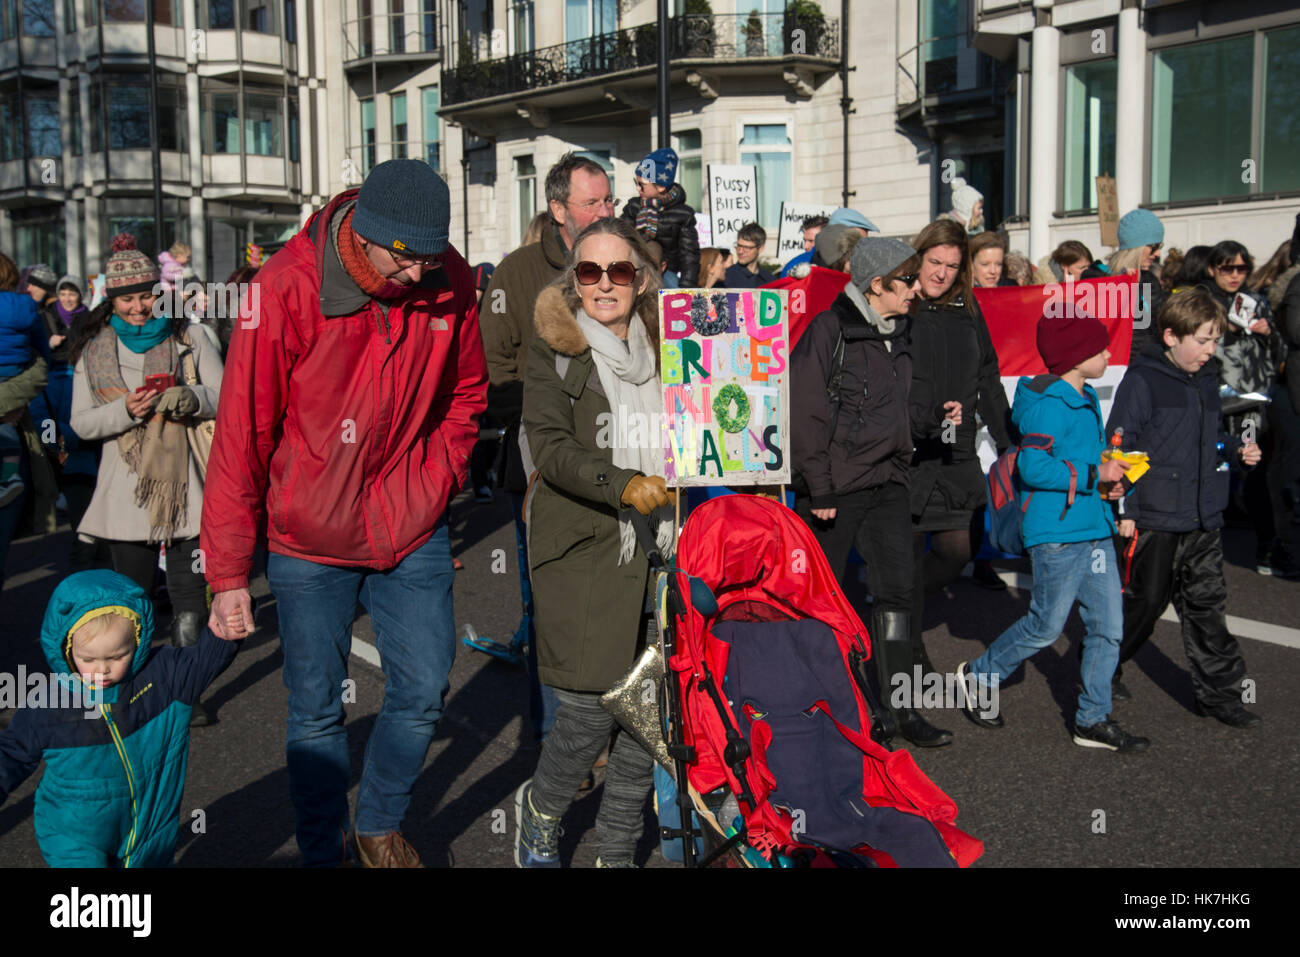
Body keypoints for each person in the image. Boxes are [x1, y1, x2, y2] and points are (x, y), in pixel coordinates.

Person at [200, 159, 487, 868]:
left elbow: (469, 393)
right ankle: (321, 849)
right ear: (365, 233)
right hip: (308, 537)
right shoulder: (283, 288)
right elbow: (242, 435)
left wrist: (438, 476)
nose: (423, 275)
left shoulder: (446, 276)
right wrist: (229, 570)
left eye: (431, 255)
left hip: (409, 521)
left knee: (423, 686)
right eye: (408, 258)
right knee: (316, 709)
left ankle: (379, 822)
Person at [513, 217, 672, 868]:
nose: (605, 284)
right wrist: (623, 482)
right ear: (573, 280)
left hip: (660, 542)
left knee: (646, 711)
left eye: (620, 271)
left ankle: (615, 849)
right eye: (590, 271)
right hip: (583, 542)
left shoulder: (671, 343)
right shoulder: (556, 346)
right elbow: (550, 448)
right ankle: (540, 816)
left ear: (641, 278)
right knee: (583, 714)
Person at [956, 311, 1148, 752]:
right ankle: (978, 675)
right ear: (1078, 358)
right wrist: (1093, 473)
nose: (1107, 354)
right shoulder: (1048, 403)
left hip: (1093, 526)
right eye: (1101, 349)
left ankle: (1092, 720)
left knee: (1107, 628)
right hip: (1057, 533)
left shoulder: (1082, 397)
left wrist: (1116, 475)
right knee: (1046, 626)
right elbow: (1032, 465)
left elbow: (1087, 458)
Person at [480, 152, 615, 743]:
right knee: (552, 605)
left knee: (615, 598)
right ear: (559, 209)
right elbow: (492, 375)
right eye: (593, 203)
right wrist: (556, 403)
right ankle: (562, 744)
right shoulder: (515, 275)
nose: (607, 211)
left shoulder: (630, 262)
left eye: (610, 200)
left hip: (623, 462)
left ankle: (612, 732)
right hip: (545, 464)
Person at [790, 238, 931, 747]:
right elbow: (805, 413)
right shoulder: (830, 330)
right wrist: (820, 486)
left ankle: (901, 711)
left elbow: (898, 410)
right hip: (836, 489)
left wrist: (933, 422)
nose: (917, 288)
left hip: (888, 482)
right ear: (877, 285)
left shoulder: (901, 333)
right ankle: (832, 710)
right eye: (907, 280)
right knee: (822, 600)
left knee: (897, 594)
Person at [0, 570, 241, 866]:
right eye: (88, 659)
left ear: (137, 642)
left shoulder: (162, 677)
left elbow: (204, 661)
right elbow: (11, 753)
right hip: (74, 834)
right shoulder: (48, 704)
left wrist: (225, 633)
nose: (101, 669)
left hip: (148, 827)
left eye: (116, 657)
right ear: (65, 648)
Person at [69, 233, 222, 691]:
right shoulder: (94, 349)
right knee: (131, 599)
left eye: (146, 296)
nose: (138, 307)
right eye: (127, 300)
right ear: (111, 301)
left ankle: (185, 692)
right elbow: (80, 423)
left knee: (191, 598)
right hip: (126, 490)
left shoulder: (191, 334)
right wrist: (125, 411)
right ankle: (131, 690)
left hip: (186, 485)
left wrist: (190, 396)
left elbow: (227, 396)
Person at [1107, 288, 1263, 727]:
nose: (1211, 350)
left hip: (1203, 515)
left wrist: (1235, 449)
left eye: (1216, 340)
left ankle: (1221, 697)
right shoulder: (1143, 379)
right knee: (1144, 602)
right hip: (1154, 514)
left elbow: (1208, 435)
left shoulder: (1208, 377)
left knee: (1207, 608)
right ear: (1172, 335)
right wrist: (1128, 508)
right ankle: (1103, 667)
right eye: (1204, 340)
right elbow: (1120, 446)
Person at [907, 220, 1015, 743]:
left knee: (956, 550)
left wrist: (1008, 437)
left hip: (957, 448)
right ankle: (905, 649)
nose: (943, 274)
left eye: (953, 266)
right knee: (903, 553)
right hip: (907, 449)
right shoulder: (902, 303)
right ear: (919, 257)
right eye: (936, 263)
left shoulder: (969, 310)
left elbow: (988, 377)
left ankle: (896, 604)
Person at [1196, 239, 1288, 576]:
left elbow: (1280, 353)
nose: (1235, 275)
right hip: (1213, 398)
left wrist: (1265, 333)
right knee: (1215, 467)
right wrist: (1228, 333)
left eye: (1241, 268)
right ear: (1212, 269)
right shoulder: (1202, 303)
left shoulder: (1255, 302)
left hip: (1251, 402)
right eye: (1227, 268)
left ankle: (1265, 546)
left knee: (1252, 467)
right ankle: (1203, 545)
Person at [0, 256, 49, 509]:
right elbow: (41, 346)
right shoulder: (25, 306)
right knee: (8, 422)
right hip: (17, 371)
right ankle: (9, 475)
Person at [1082, 208, 1167, 340]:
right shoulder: (1095, 278)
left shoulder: (1149, 280)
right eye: (1154, 247)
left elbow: (1159, 329)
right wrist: (1123, 284)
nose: (1157, 254)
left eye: (1160, 247)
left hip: (1146, 359)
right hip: (1112, 358)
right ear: (1136, 246)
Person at [621, 147, 699, 288]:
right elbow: (621, 236)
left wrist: (687, 286)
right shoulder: (634, 207)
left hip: (666, 272)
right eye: (636, 183)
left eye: (642, 185)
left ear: (661, 186)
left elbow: (689, 255)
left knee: (673, 296)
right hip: (634, 268)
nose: (638, 189)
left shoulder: (683, 215)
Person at [724, 223, 775, 288]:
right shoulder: (725, 277)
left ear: (760, 248)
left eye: (746, 248)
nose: (740, 251)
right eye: (739, 246)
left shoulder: (770, 281)